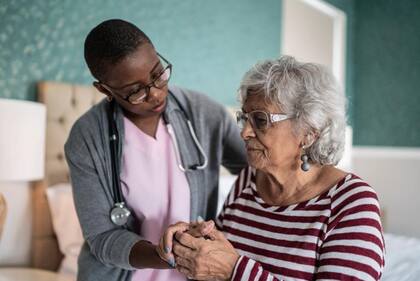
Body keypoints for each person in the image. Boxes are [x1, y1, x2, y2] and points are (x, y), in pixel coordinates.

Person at [159, 56, 385, 281]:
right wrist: (195, 245)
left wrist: (234, 271)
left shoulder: (352, 203)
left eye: (260, 120)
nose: (244, 132)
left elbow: (229, 268)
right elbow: (218, 262)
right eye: (244, 118)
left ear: (308, 133)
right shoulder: (249, 180)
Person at [64, 19, 247, 281]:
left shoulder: (205, 114)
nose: (156, 95)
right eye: (136, 91)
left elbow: (260, 172)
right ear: (104, 89)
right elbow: (103, 237)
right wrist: (164, 254)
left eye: (158, 74)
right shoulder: (87, 139)